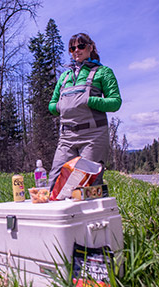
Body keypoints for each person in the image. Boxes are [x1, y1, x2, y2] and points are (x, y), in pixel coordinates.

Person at [48, 33, 122, 189]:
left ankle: (99, 212)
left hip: (93, 136)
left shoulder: (104, 72)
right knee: (55, 183)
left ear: (90, 47)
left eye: (81, 46)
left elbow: (115, 103)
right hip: (67, 136)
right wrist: (61, 106)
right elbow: (52, 104)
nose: (76, 50)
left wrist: (89, 101)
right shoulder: (64, 76)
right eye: (72, 48)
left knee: (87, 184)